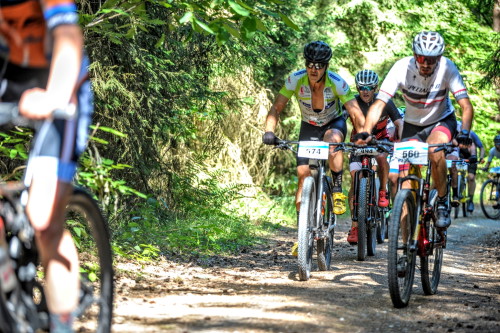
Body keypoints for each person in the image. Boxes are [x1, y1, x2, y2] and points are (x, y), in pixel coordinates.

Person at [0, 1, 93, 332]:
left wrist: (54, 97)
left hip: (60, 81)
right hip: (9, 79)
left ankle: (62, 323)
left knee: (43, 218)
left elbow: (68, 37)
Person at [355, 31, 474, 230]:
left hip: (441, 121)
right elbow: (379, 104)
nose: (426, 64)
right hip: (412, 125)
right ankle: (404, 249)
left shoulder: (447, 67)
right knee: (403, 183)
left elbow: (466, 106)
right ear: (414, 55)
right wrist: (367, 131)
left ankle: (443, 202)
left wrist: (464, 134)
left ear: (439, 57)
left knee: (435, 149)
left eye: (431, 59)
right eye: (421, 58)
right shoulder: (401, 68)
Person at [262, 41, 365, 253]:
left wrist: (362, 134)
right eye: (310, 64)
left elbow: (354, 112)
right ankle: (303, 231)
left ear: (326, 66)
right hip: (308, 126)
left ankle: (336, 188)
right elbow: (277, 107)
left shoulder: (337, 82)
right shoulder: (295, 79)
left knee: (332, 141)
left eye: (319, 65)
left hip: (332, 123)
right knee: (302, 176)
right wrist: (269, 131)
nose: (314, 69)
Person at [345, 69, 403, 244]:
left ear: (375, 87)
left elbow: (399, 122)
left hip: (381, 139)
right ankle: (355, 226)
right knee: (355, 180)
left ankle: (382, 191)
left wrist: (401, 140)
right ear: (357, 87)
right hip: (359, 141)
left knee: (381, 158)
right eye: (362, 87)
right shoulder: (352, 101)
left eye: (369, 87)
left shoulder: (384, 101)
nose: (365, 90)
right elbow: (340, 119)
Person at [447, 121, 484, 212]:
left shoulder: (472, 135)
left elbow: (480, 147)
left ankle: (470, 201)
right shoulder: (453, 133)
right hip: (459, 156)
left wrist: (479, 157)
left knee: (471, 177)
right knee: (453, 170)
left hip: (470, 157)